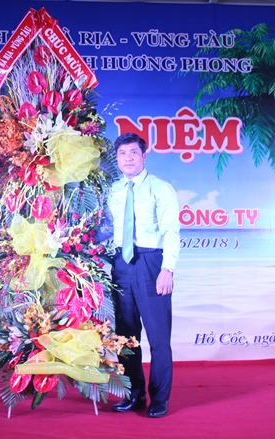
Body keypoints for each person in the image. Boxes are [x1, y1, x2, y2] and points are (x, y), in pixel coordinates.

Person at [108, 132, 180, 419]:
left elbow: (171, 231)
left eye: (133, 153)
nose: (128, 158)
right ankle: (134, 394)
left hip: (151, 263)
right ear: (117, 158)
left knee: (158, 337)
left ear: (143, 156)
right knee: (126, 336)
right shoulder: (113, 190)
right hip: (120, 264)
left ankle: (159, 399)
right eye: (122, 153)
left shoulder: (160, 188)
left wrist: (167, 269)